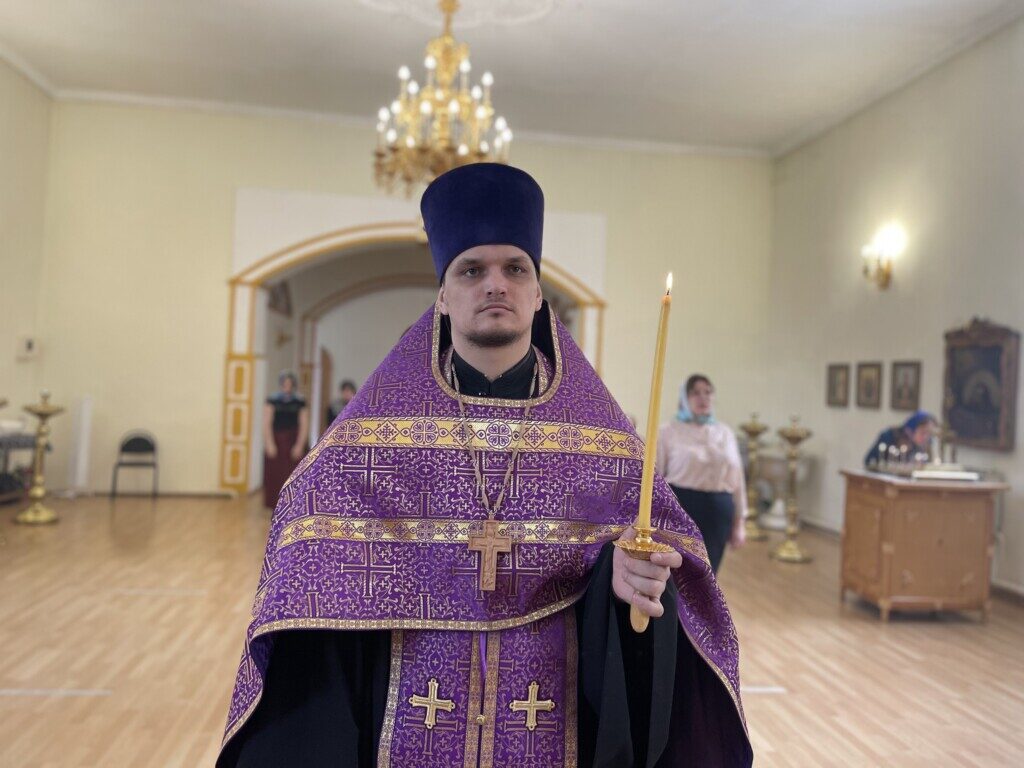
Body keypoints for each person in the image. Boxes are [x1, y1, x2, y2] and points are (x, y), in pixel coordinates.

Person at [218, 164, 752, 767]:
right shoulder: (373, 435)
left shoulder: (602, 442)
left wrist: (627, 577)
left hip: (551, 711)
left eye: (515, 269)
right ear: (443, 297)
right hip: (409, 708)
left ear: (538, 294)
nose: (495, 284)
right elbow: (306, 540)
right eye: (472, 270)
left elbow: (662, 571)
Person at [656, 375, 746, 574]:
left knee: (709, 573)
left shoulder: (725, 433)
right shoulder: (668, 431)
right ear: (684, 398)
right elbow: (657, 477)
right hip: (682, 507)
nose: (703, 398)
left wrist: (739, 522)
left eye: (707, 392)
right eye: (695, 393)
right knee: (679, 572)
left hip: (719, 510)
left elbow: (737, 480)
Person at [262, 371, 309, 509]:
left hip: (294, 440)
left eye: (290, 383)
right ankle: (276, 505)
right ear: (281, 384)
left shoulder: (300, 401)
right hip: (276, 440)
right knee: (275, 474)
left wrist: (299, 445)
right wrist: (269, 444)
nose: (287, 386)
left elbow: (304, 424)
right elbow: (266, 422)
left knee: (294, 474)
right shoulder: (272, 400)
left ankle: (293, 504)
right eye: (285, 383)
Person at [864, 410, 937, 467]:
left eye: (929, 434)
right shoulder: (889, 436)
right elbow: (870, 461)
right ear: (910, 430)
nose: (926, 437)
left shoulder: (924, 445)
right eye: (923, 432)